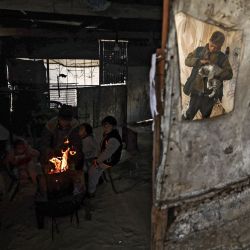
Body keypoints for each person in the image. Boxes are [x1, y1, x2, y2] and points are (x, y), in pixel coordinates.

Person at [183, 31, 233, 120]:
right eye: (212, 45)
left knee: (206, 117)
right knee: (189, 114)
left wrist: (216, 70)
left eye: (216, 47)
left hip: (209, 96)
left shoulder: (223, 58)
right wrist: (198, 61)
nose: (213, 49)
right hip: (196, 91)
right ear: (209, 41)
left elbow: (229, 74)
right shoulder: (199, 50)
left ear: (221, 46)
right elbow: (187, 61)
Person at [40, 104, 82, 171]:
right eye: (63, 120)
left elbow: (77, 143)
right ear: (59, 118)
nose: (65, 123)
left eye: (67, 120)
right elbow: (45, 142)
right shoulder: (51, 125)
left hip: (68, 151)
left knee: (78, 156)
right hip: (53, 150)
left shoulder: (75, 125)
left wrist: (72, 152)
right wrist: (48, 151)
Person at [88, 116, 122, 196]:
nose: (105, 128)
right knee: (91, 161)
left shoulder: (114, 138)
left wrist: (97, 161)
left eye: (107, 126)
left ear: (113, 127)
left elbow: (107, 153)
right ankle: (98, 179)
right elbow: (102, 148)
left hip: (111, 160)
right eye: (104, 126)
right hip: (106, 157)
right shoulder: (108, 134)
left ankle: (91, 191)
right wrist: (97, 157)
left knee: (93, 170)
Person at [78, 123, 98, 188]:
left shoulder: (88, 140)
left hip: (90, 160)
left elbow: (96, 148)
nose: (79, 131)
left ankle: (87, 184)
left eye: (81, 129)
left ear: (86, 132)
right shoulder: (84, 139)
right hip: (88, 159)